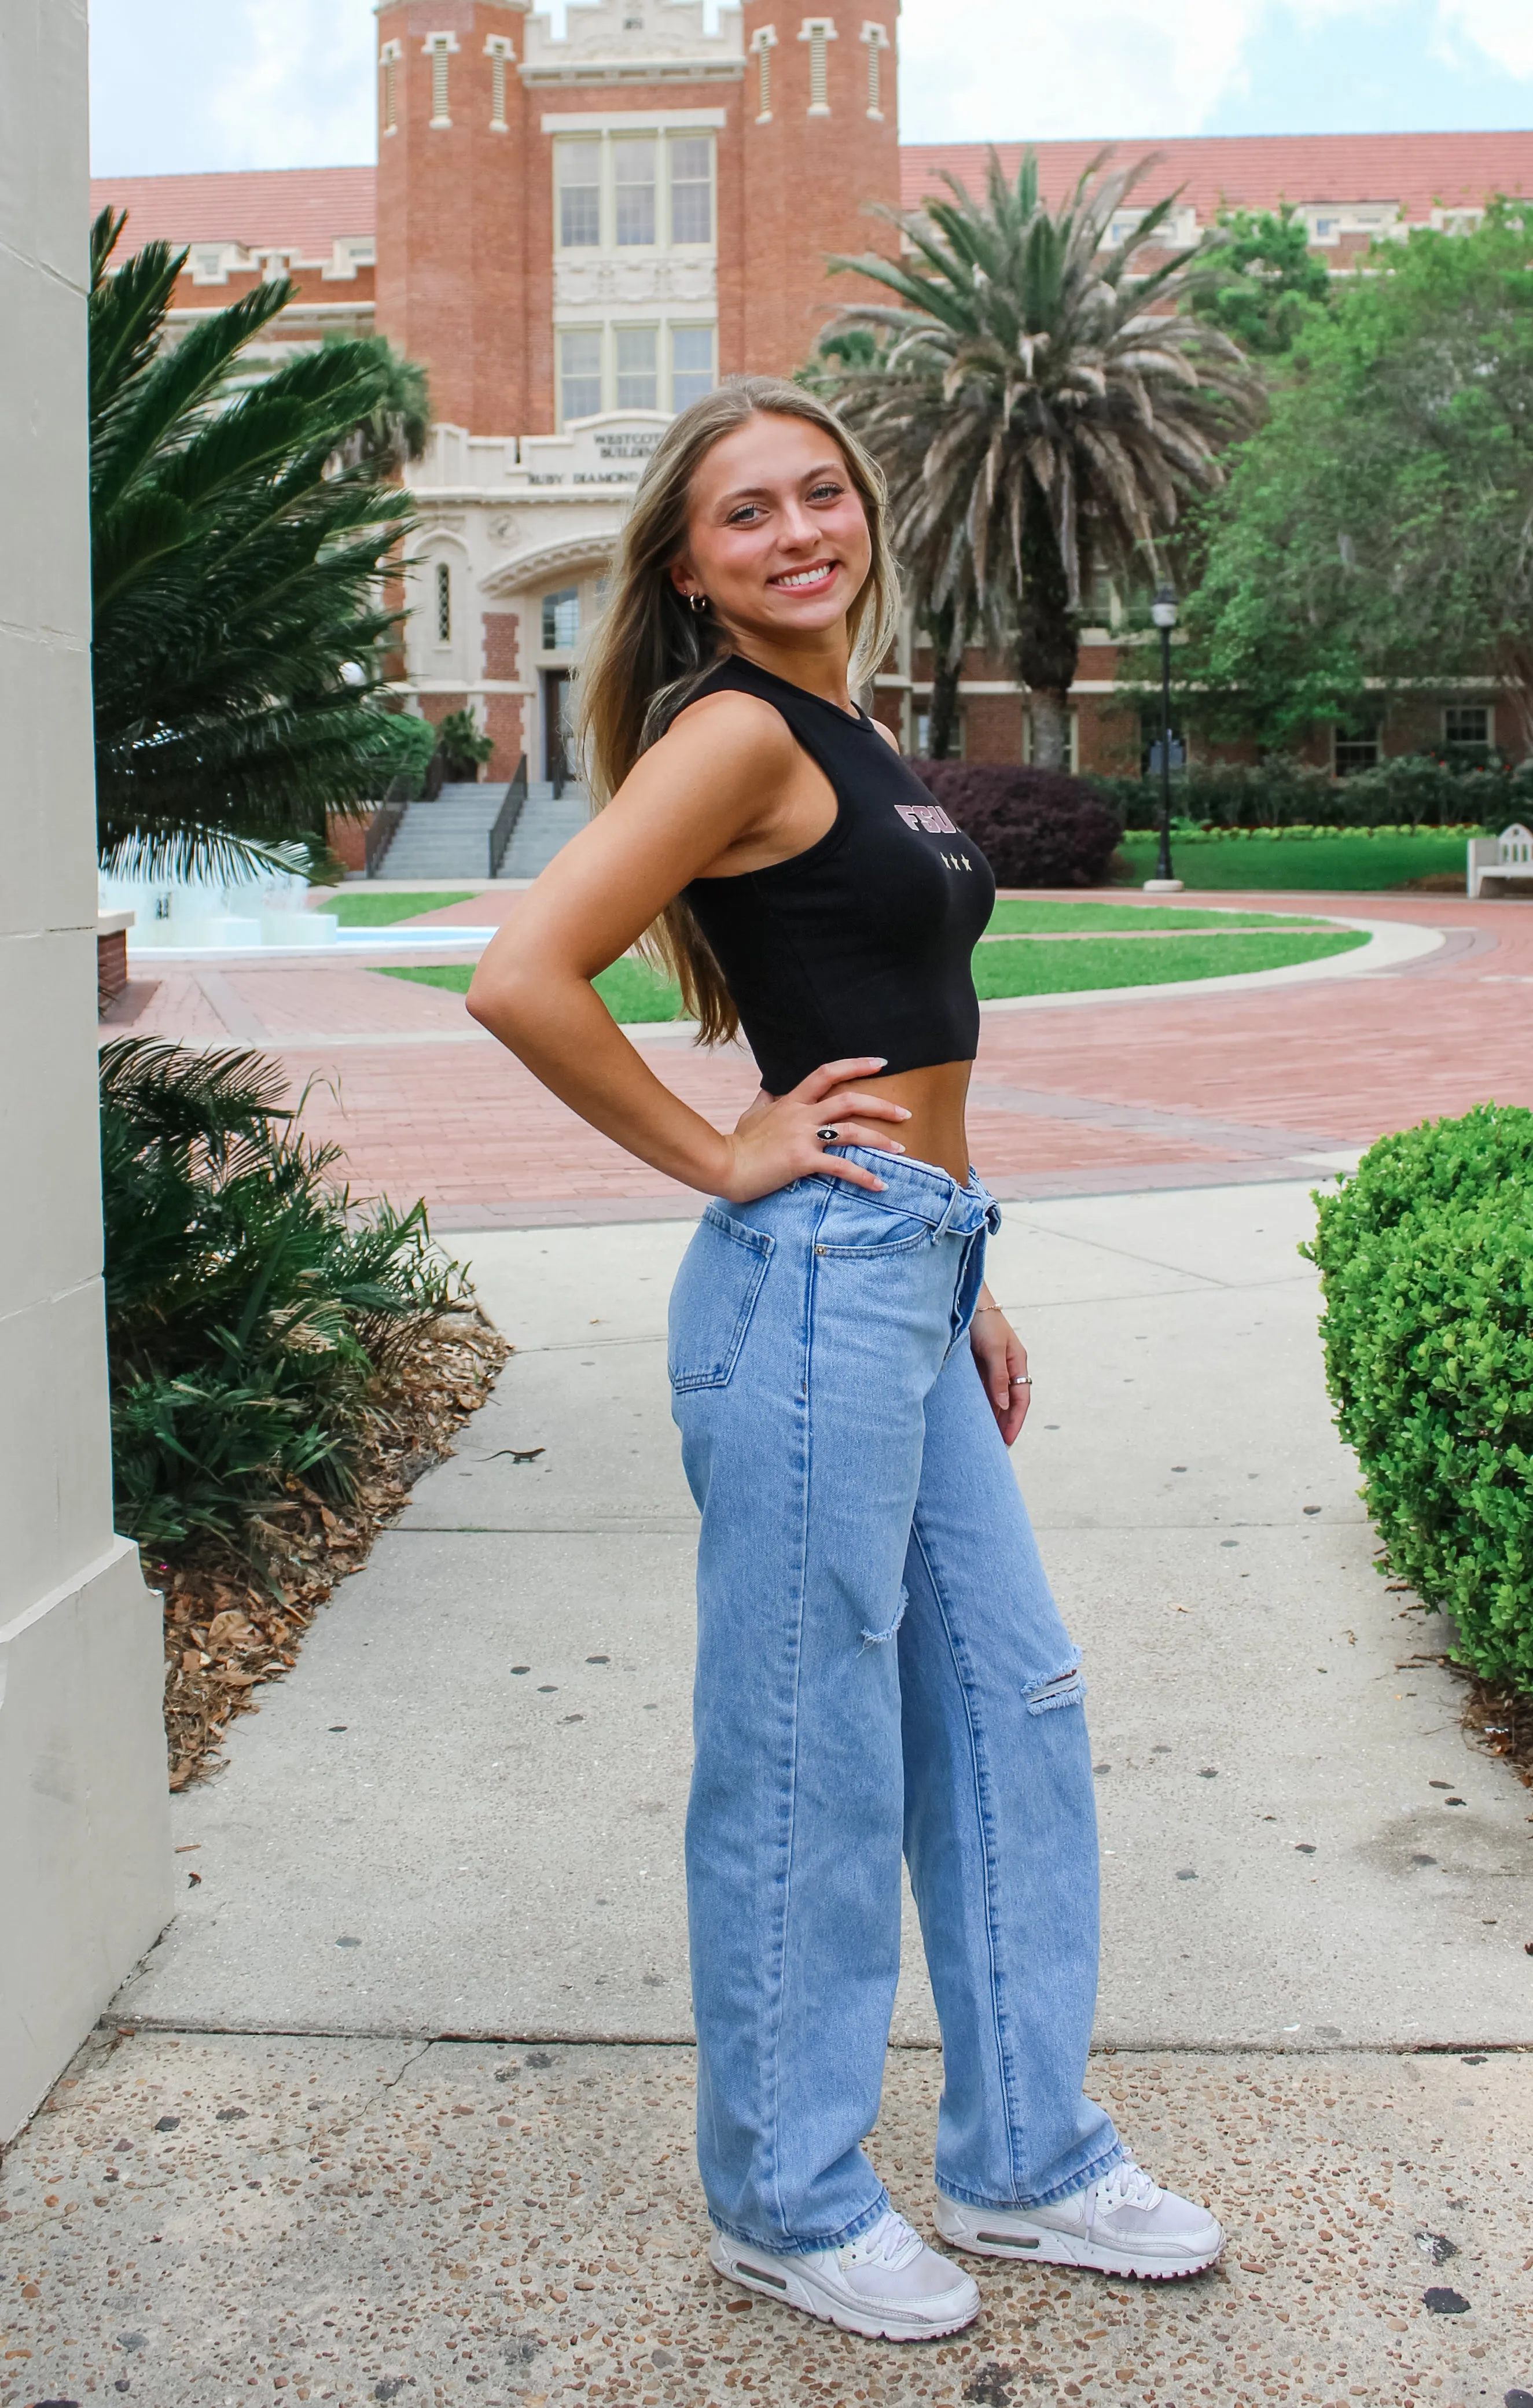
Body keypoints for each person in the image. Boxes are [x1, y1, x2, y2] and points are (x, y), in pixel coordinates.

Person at [466, 376, 1223, 2342]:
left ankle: (1027, 2159)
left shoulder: (852, 733)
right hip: (805, 1283)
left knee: (1009, 1708)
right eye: (748, 514)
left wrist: (968, 1269)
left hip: (905, 1273)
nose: (800, 531)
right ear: (693, 567)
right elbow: (521, 977)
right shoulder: (728, 730)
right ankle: (787, 2198)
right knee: (807, 1753)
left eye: (824, 495)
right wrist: (724, 1150)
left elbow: (910, 1013)